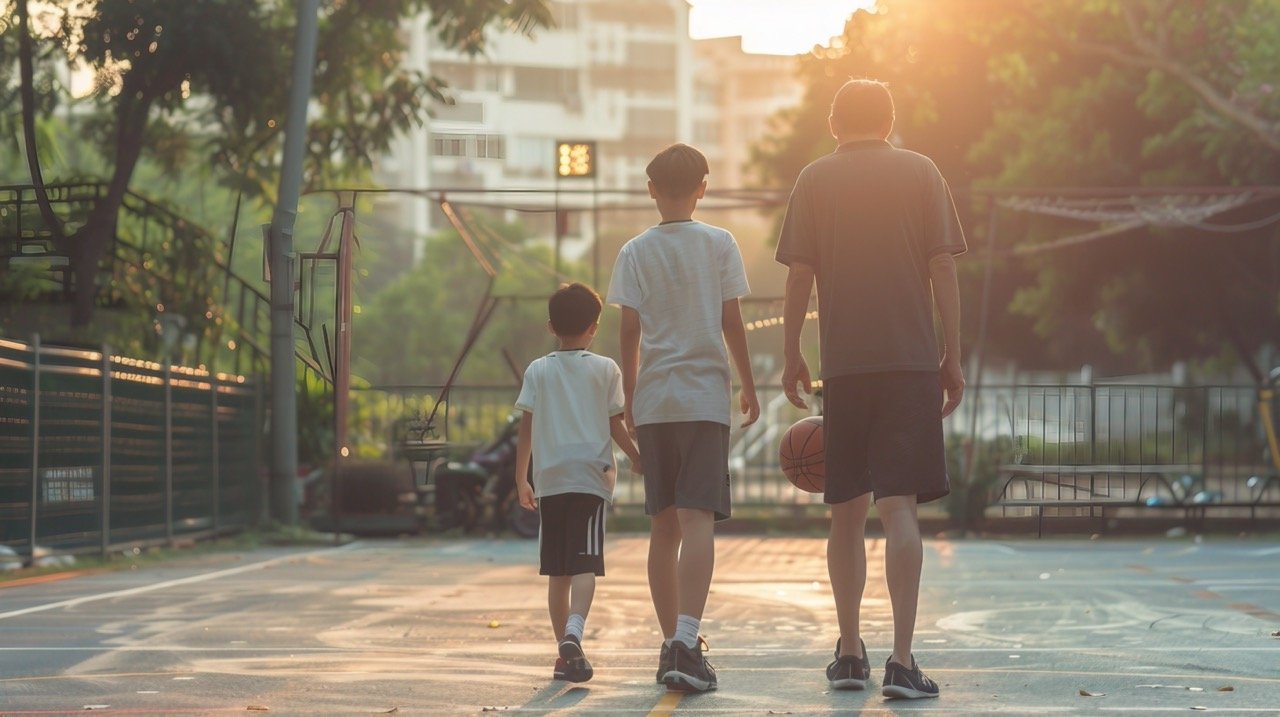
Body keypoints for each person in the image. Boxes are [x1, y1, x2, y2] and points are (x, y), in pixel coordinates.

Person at [775, 79, 966, 700]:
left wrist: (791, 353)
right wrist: (952, 356)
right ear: (889, 120)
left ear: (834, 123)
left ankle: (851, 651)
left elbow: (800, 274)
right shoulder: (922, 171)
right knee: (899, 509)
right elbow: (943, 266)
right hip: (909, 363)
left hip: (846, 367)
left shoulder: (813, 179)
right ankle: (903, 662)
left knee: (846, 514)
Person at [606, 143, 760, 693]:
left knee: (663, 526)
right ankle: (689, 644)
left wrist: (627, 394)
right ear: (703, 187)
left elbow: (628, 331)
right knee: (698, 521)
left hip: (654, 402)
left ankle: (671, 640)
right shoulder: (720, 243)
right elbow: (731, 322)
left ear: (650, 189)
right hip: (702, 399)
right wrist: (747, 384)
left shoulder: (634, 250)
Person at [514, 282, 643, 684]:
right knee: (586, 563)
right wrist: (638, 458)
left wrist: (522, 479)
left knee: (558, 572)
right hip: (590, 477)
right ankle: (575, 632)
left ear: (552, 326)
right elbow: (614, 424)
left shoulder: (538, 369)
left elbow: (526, 428)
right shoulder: (606, 368)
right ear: (594, 326)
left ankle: (565, 654)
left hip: (550, 479)